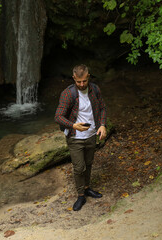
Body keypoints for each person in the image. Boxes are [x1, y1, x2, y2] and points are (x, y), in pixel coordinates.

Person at [55, 64, 107, 211]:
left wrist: (102, 125)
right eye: (78, 82)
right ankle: (80, 195)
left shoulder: (95, 89)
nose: (82, 84)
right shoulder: (68, 94)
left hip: (91, 135)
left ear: (88, 77)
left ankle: (87, 188)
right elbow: (58, 116)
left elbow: (102, 107)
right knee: (79, 167)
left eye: (84, 81)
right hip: (75, 137)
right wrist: (73, 125)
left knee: (89, 163)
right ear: (74, 79)